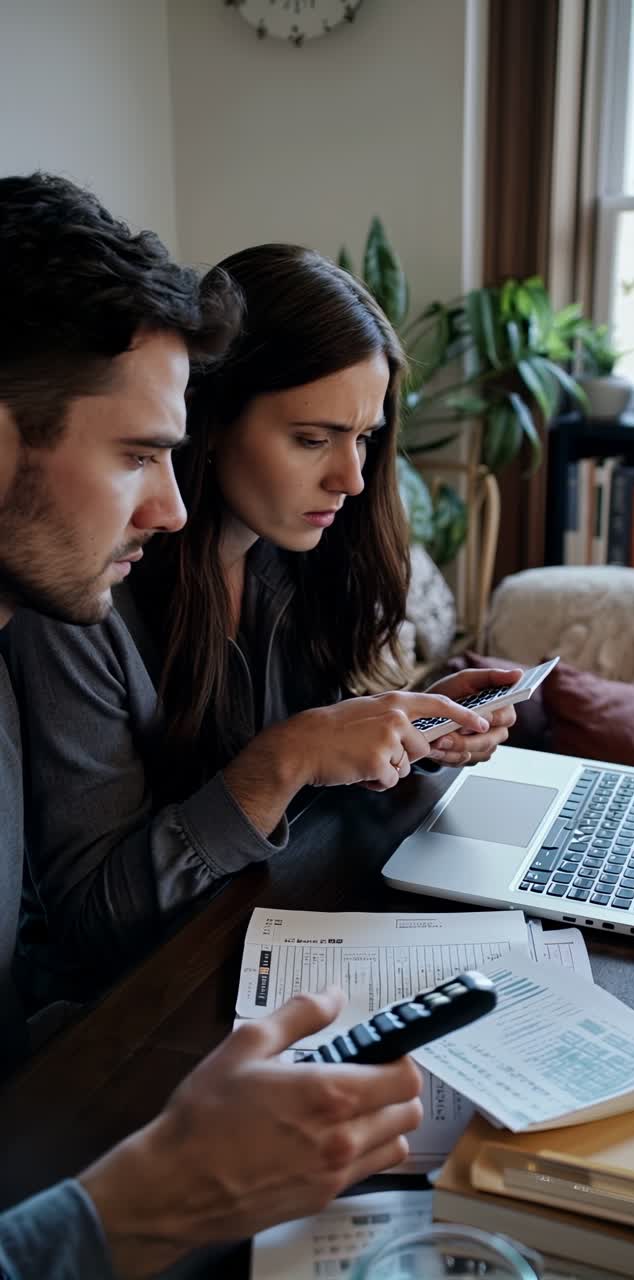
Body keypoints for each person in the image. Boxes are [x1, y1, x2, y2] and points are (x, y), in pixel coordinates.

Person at [0, 171, 424, 1279]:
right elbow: (78, 932)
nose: (172, 502)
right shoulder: (69, 610)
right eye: (141, 454)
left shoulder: (277, 574)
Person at [7, 242, 518, 1005]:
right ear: (207, 424)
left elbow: (316, 792)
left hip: (274, 942)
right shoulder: (76, 593)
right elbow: (92, 921)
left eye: (365, 438)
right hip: (144, 1008)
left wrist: (407, 729)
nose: (350, 478)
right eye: (312, 439)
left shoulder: (300, 555)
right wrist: (281, 761)